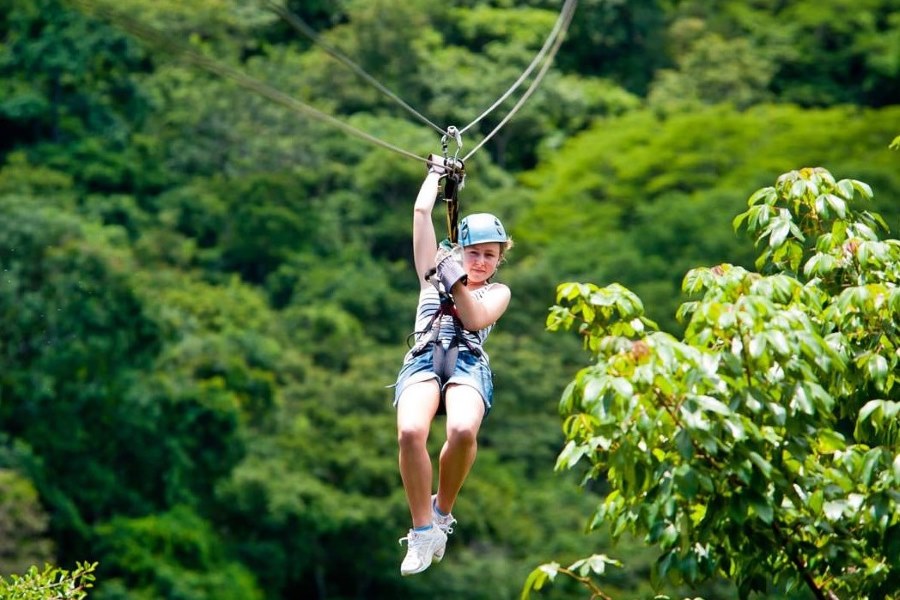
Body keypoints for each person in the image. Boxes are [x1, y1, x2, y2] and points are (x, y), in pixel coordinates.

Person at [393, 158, 513, 576]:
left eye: (489, 256)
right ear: (460, 250)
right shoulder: (432, 274)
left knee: (462, 430)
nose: (480, 262)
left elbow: (476, 319)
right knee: (411, 432)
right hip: (425, 356)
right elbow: (421, 213)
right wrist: (435, 173)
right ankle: (422, 530)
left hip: (466, 361)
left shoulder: (498, 292)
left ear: (499, 261)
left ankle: (441, 512)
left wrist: (456, 280)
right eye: (473, 253)